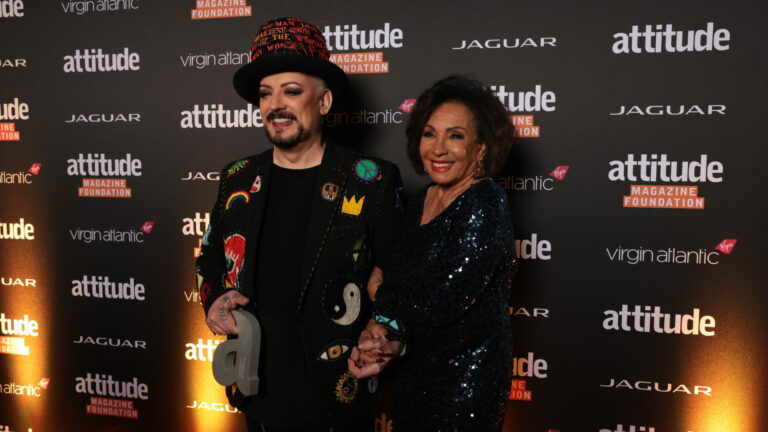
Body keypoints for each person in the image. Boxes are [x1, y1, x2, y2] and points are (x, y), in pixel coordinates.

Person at [195, 17, 404, 432]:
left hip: (339, 388)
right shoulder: (237, 176)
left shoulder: (372, 178)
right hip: (257, 388)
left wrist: (388, 332)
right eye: (266, 94)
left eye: (292, 92)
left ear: (324, 103)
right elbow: (211, 256)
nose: (276, 105)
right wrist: (214, 297)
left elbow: (400, 273)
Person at [348, 75, 516, 431]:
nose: (438, 148)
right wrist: (384, 334)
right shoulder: (423, 197)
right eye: (429, 133)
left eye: (455, 135)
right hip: (414, 369)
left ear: (481, 146)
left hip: (464, 381)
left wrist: (382, 295)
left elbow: (443, 298)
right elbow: (407, 279)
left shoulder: (485, 202)